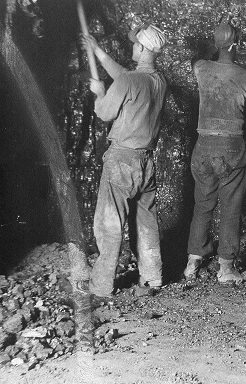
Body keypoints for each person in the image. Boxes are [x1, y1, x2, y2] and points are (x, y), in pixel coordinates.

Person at [80, 23, 168, 297]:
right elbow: (126, 78)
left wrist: (99, 92)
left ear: (141, 47)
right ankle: (153, 278)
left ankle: (102, 285)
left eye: (134, 44)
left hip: (121, 161)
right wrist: (98, 51)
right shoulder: (159, 81)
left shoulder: (130, 82)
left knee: (109, 223)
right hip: (147, 164)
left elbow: (105, 113)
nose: (132, 47)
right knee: (146, 223)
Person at [183, 23, 246, 284]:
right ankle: (226, 267)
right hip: (231, 150)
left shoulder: (201, 68)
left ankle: (193, 261)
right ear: (235, 45)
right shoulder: (245, 76)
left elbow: (195, 61)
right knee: (230, 207)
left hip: (203, 146)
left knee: (202, 204)